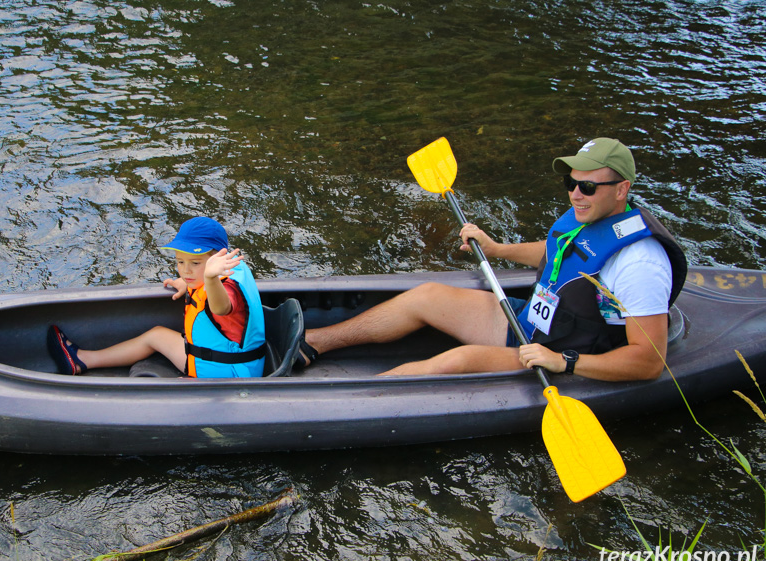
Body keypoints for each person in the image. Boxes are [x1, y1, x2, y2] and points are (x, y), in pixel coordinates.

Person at [297, 138, 687, 381]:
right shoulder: (592, 213)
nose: (575, 195)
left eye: (586, 186)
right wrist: (497, 248)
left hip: (565, 349)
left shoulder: (640, 265)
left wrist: (563, 363)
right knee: (427, 296)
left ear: (622, 189)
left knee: (455, 362)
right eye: (570, 183)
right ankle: (314, 342)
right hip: (535, 322)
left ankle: (352, 397)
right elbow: (560, 253)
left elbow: (648, 362)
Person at [47, 217, 266, 378]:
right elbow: (204, 283)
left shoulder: (224, 287)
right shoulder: (223, 272)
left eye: (195, 263)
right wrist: (191, 283)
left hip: (227, 375)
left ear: (218, 259)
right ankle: (83, 360)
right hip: (237, 362)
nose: (186, 271)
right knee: (156, 335)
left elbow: (220, 307)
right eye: (181, 262)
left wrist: (208, 278)